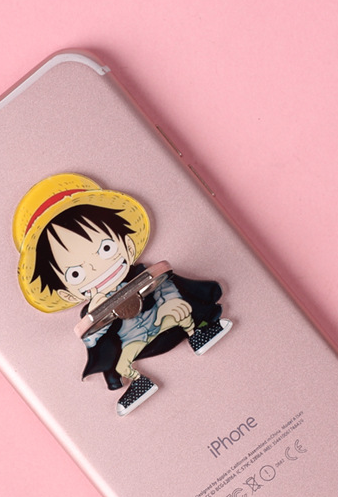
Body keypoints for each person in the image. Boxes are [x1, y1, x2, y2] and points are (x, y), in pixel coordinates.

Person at [13, 174, 232, 415]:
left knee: (180, 308)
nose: (94, 268)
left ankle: (197, 334)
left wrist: (170, 303)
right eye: (75, 273)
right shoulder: (90, 310)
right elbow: (92, 340)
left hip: (162, 319)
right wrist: (95, 314)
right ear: (68, 295)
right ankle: (139, 383)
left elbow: (166, 285)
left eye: (105, 248)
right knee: (121, 364)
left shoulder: (141, 274)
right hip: (133, 340)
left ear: (128, 246)